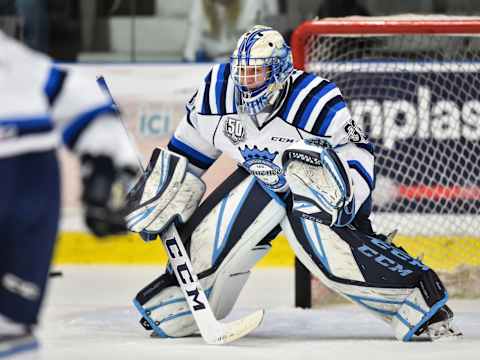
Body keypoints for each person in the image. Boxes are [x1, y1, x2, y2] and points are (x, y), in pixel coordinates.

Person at [126, 25, 461, 341]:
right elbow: (186, 156)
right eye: (242, 72)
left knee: (328, 250)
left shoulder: (315, 103)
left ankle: (416, 299)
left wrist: (343, 201)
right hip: (260, 186)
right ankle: (183, 305)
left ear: (279, 72)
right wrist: (162, 191)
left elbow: (358, 156)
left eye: (255, 73)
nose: (245, 83)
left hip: (318, 197)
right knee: (208, 236)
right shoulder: (217, 95)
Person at [0, 30, 138, 357]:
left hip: (31, 193)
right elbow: (77, 94)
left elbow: (74, 95)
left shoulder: (14, 61)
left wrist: (105, 169)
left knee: (11, 325)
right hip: (32, 190)